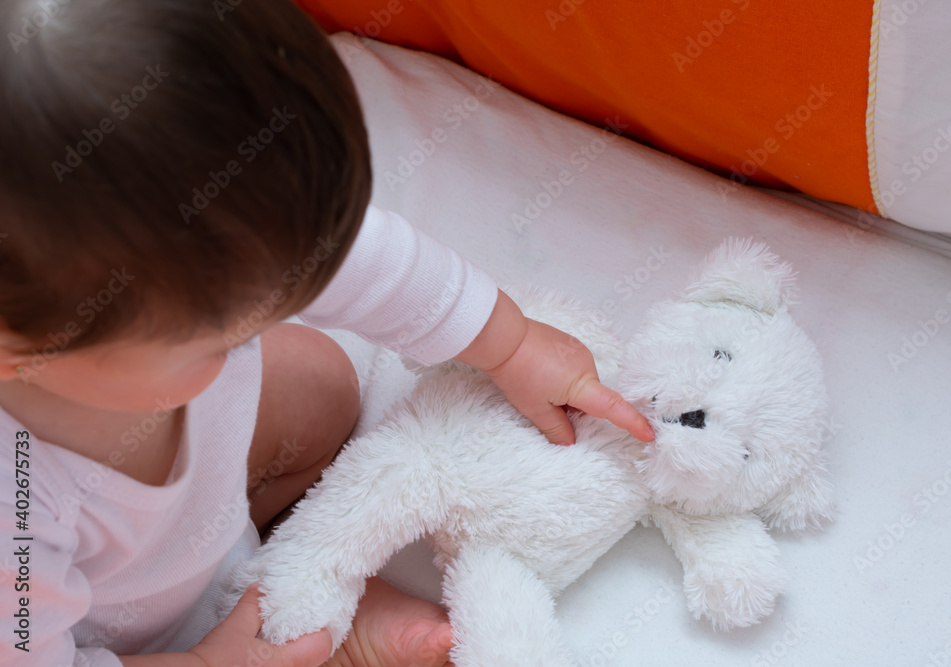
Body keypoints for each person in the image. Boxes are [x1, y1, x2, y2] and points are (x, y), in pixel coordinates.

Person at [0, 1, 654, 665]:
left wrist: (509, 344)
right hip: (112, 630)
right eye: (222, 337)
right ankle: (260, 625)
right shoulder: (15, 508)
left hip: (210, 497)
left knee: (321, 382)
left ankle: (290, 578)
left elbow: (363, 259)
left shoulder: (195, 252)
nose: (259, 328)